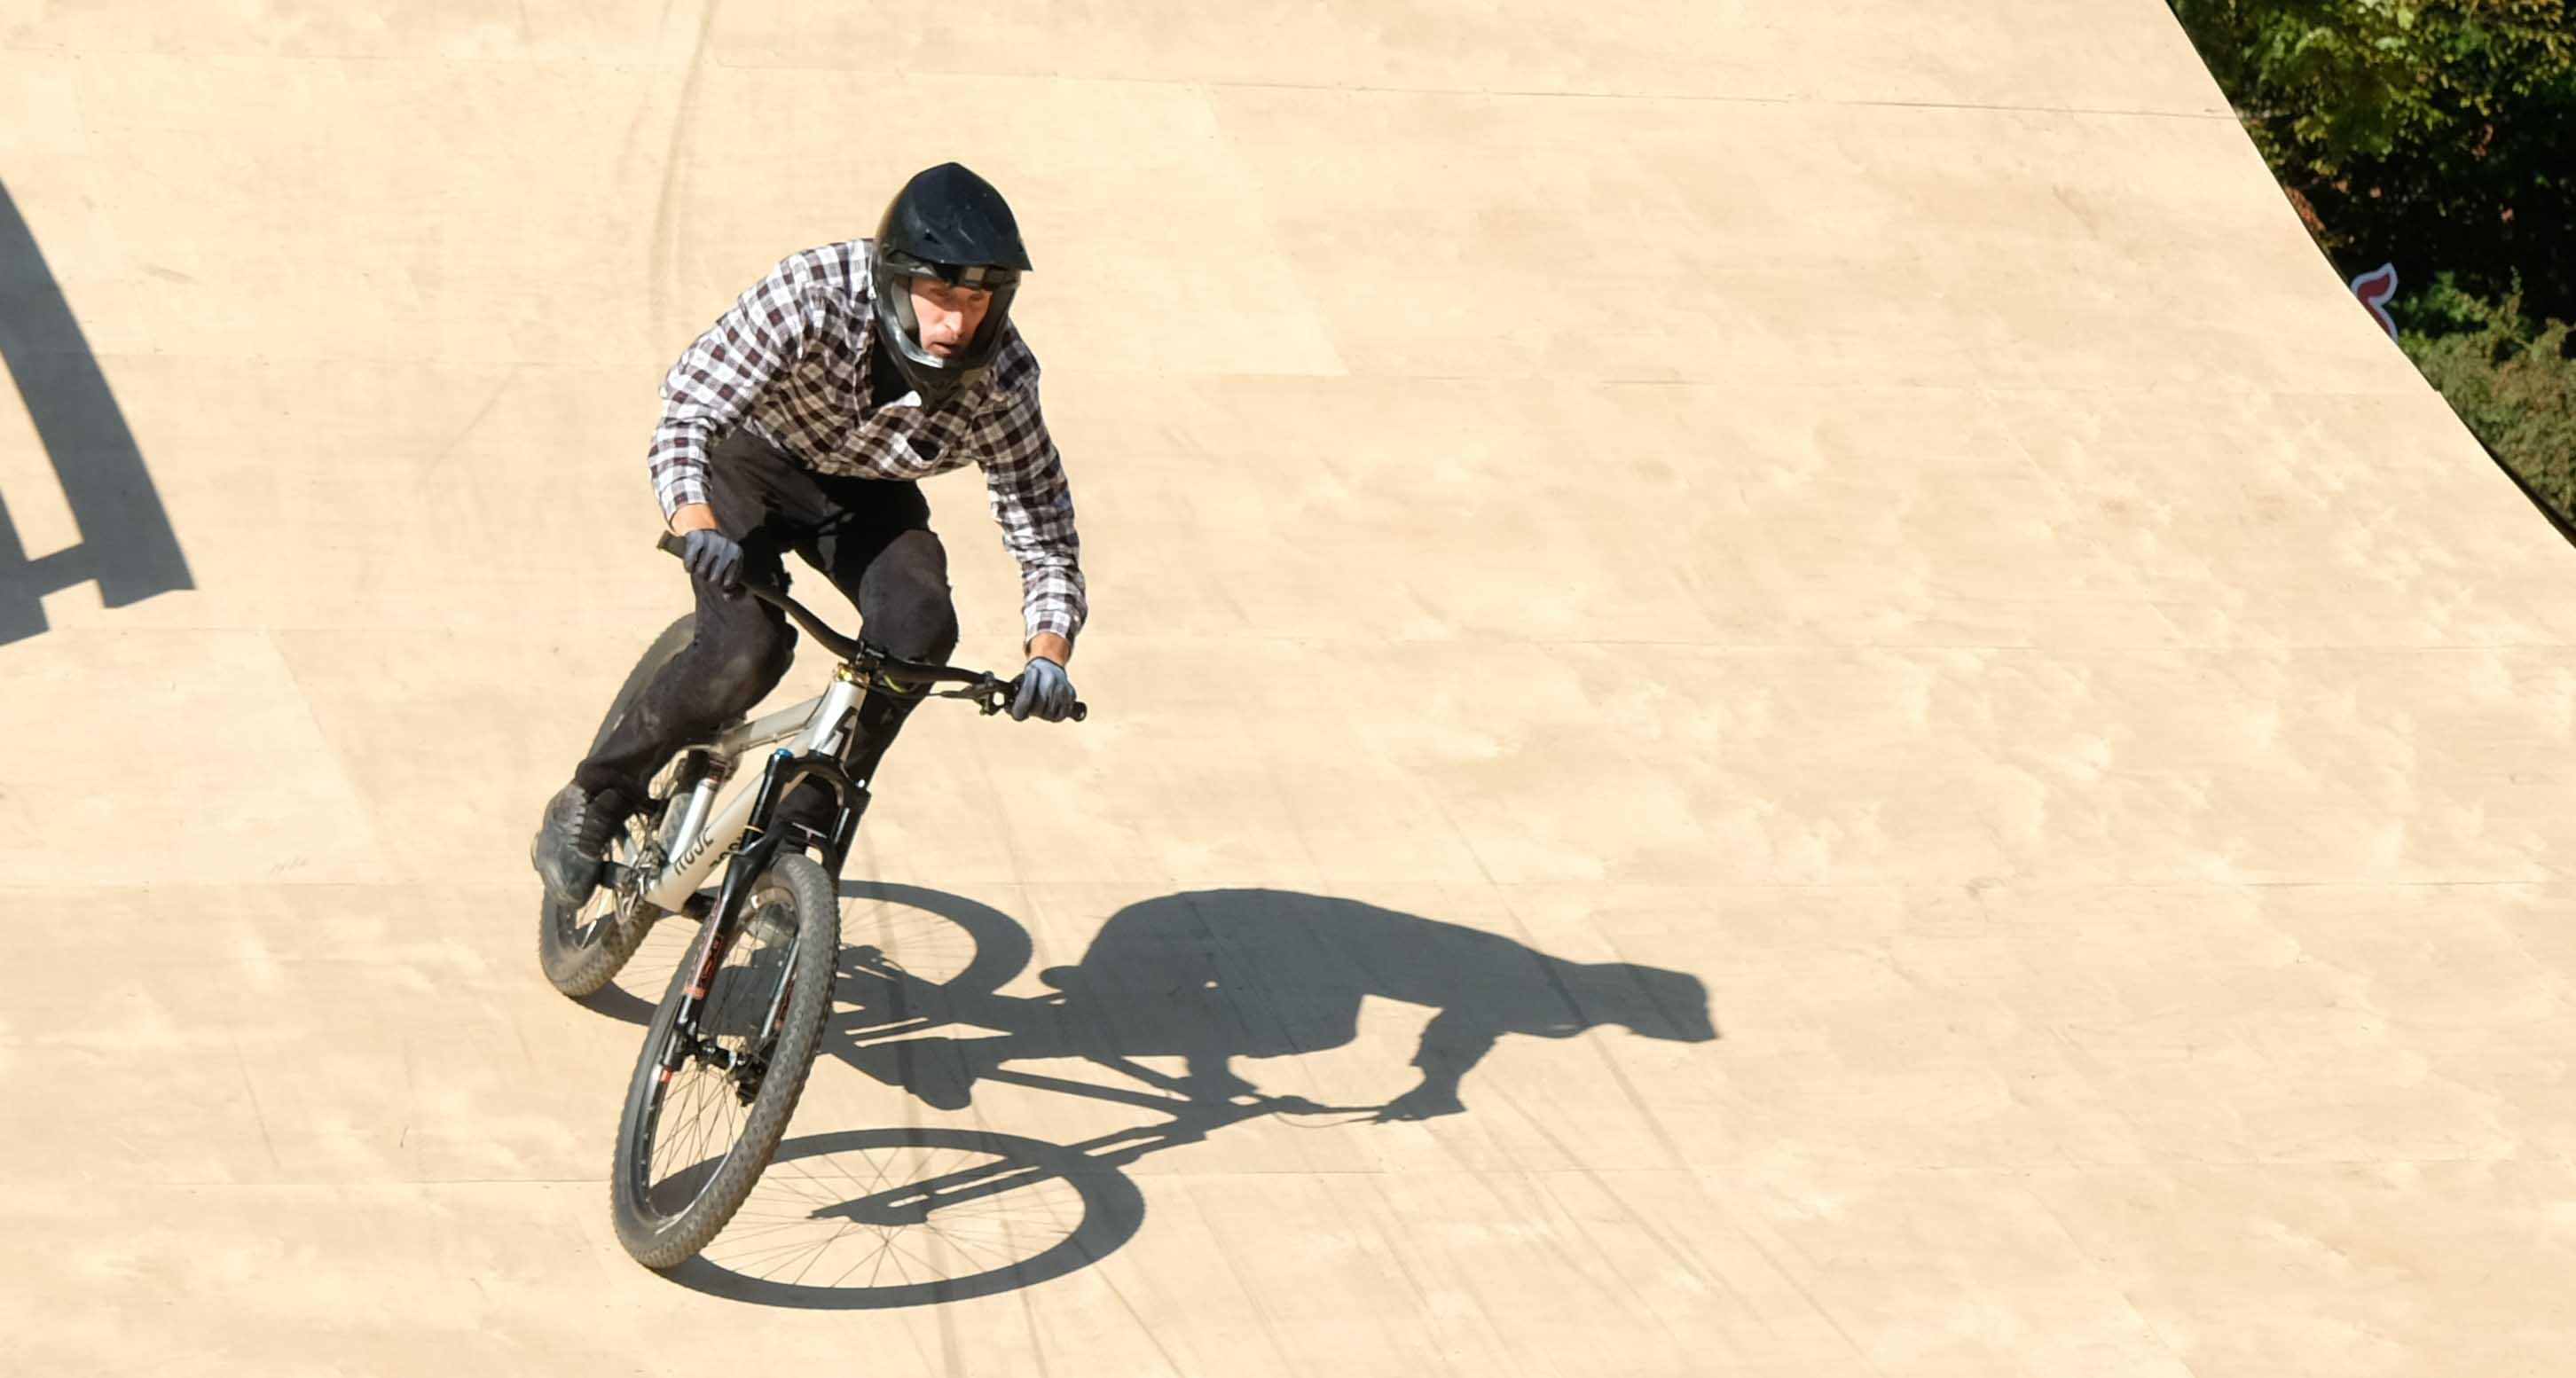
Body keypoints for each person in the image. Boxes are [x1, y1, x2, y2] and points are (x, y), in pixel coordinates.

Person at [532, 162, 1086, 908]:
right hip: (750, 460)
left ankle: (795, 839)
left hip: (868, 496)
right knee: (747, 646)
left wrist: (1047, 654)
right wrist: (696, 523)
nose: (959, 324)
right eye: (941, 296)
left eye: (978, 301)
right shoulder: (812, 292)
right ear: (896, 281)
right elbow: (691, 411)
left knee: (919, 632)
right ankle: (593, 796)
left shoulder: (1004, 380)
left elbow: (1042, 521)